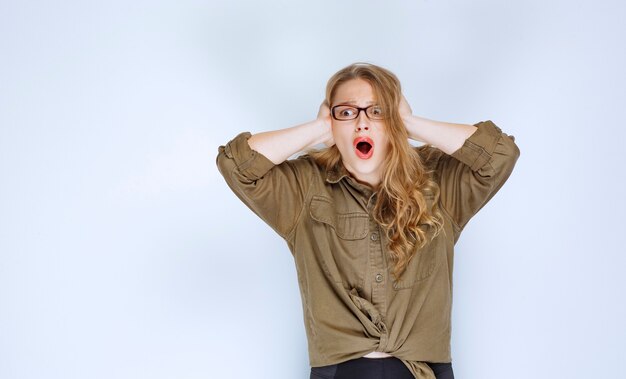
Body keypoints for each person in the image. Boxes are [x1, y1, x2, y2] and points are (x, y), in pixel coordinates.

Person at [215, 62, 520, 379]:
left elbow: (501, 155)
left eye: (377, 111)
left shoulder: (440, 181)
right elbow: (235, 165)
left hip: (424, 371)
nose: (362, 124)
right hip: (340, 371)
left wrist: (408, 122)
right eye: (346, 113)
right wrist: (321, 128)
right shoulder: (303, 187)